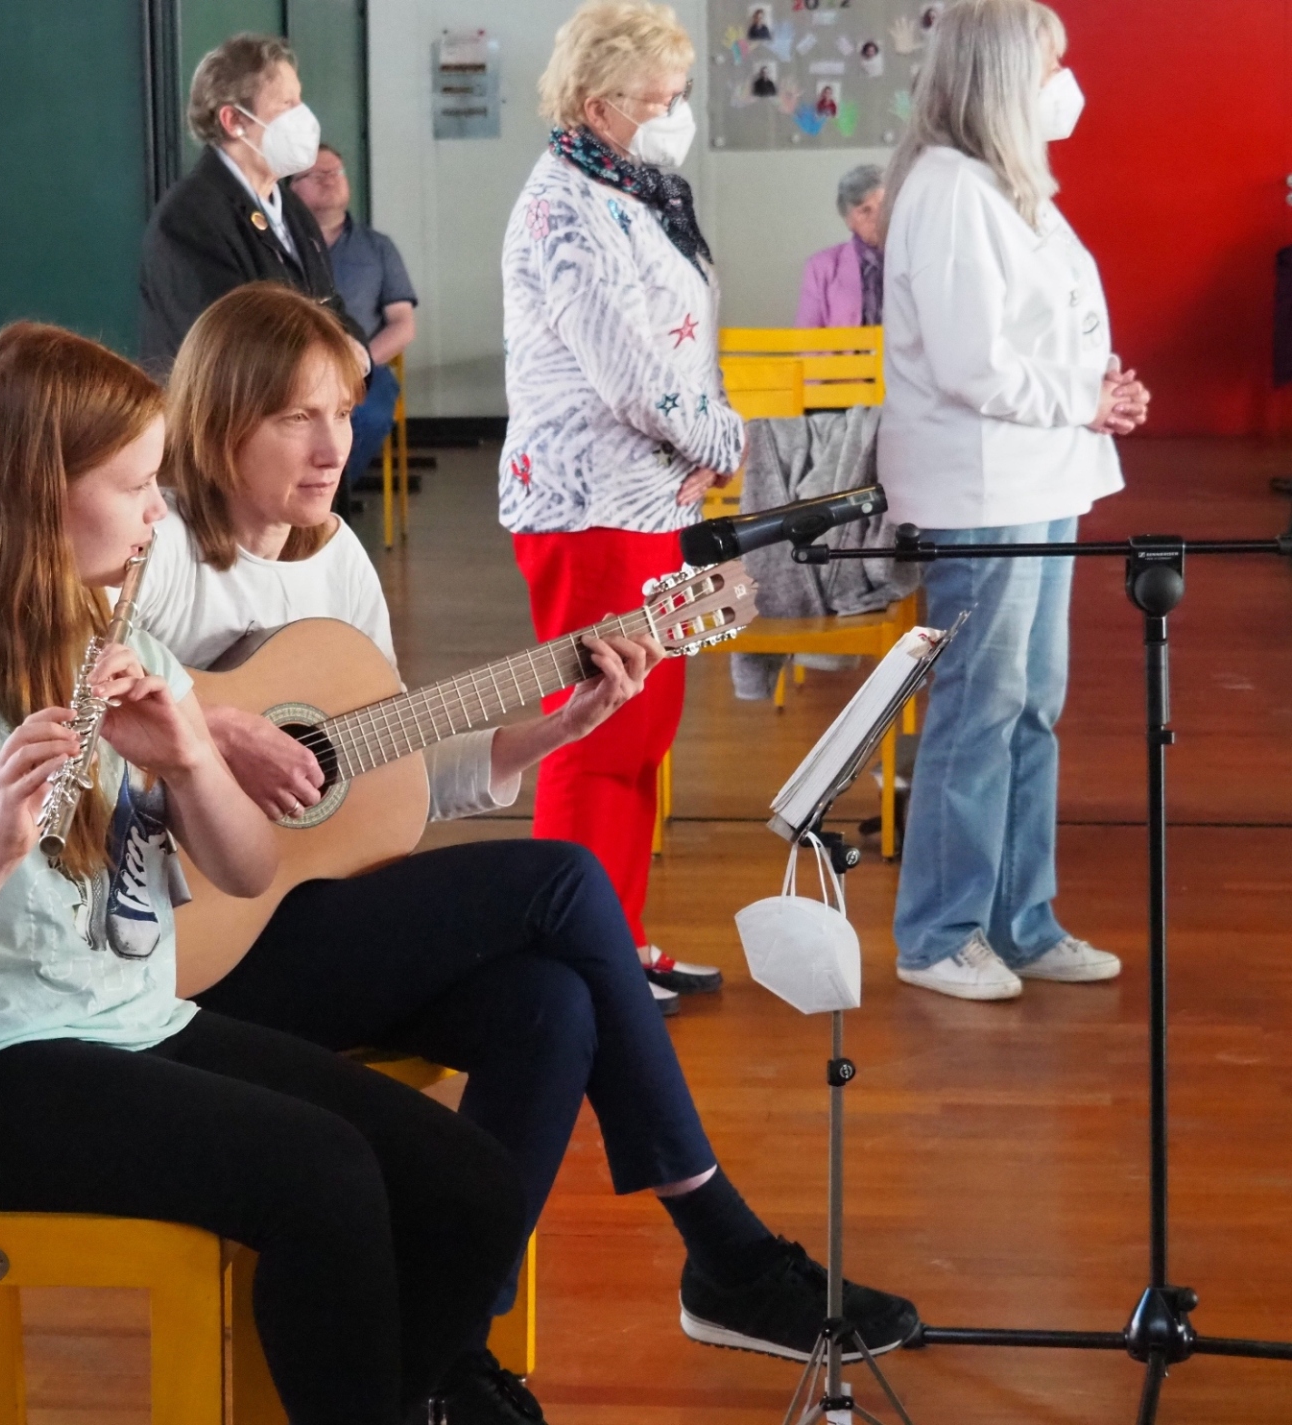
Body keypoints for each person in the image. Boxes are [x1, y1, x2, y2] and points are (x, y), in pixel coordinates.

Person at [140, 283, 921, 1423]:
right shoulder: (158, 551)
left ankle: (449, 1348)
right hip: (187, 946)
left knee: (549, 1009)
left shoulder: (336, 559)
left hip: (306, 920)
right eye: (295, 417)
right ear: (219, 422)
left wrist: (550, 728)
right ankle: (719, 1241)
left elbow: (386, 767)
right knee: (562, 878)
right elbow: (70, 700)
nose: (332, 445)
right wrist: (212, 735)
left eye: (343, 411)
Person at [0, 321, 527, 1425]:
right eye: (135, 485)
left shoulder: (119, 645)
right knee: (323, 1175)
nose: (160, 511)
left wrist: (193, 757)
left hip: (138, 1025)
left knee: (471, 1186)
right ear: (39, 493)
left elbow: (246, 870)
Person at [878, 0, 1150, 1000]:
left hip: (1042, 474)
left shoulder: (1007, 183)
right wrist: (1082, 398)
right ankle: (937, 933)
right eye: (1049, 66)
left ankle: (1019, 920)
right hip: (981, 486)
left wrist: (1098, 388)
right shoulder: (949, 188)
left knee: (1031, 705)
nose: (1063, 85)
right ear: (999, 77)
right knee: (977, 708)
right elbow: (971, 364)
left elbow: (1049, 330)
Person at [501, 2, 744, 994]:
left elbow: (679, 346)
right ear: (597, 105)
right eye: (658, 98)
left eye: (679, 94)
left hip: (653, 501)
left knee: (642, 736)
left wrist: (704, 444)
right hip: (590, 504)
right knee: (594, 730)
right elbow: (633, 375)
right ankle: (576, 961)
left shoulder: (634, 189)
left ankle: (622, 941)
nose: (675, 114)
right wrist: (724, 437)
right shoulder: (566, 204)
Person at [136, 33, 367, 373]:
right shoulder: (188, 219)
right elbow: (230, 346)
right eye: (286, 104)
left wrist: (358, 355)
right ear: (234, 121)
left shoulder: (293, 209)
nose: (303, 116)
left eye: (299, 100)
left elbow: (331, 309)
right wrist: (332, 358)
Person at [291, 143, 418, 508]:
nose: (330, 180)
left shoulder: (378, 248)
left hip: (362, 371)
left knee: (369, 416)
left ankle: (329, 501)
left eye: (336, 172)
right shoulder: (282, 247)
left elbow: (402, 324)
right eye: (317, 175)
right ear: (292, 187)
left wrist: (357, 363)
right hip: (293, 369)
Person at [797, 164, 887, 328]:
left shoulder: (916, 259)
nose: (877, 217)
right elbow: (807, 339)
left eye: (884, 207)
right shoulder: (821, 267)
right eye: (865, 210)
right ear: (848, 220)